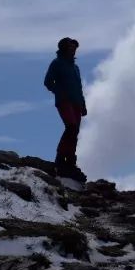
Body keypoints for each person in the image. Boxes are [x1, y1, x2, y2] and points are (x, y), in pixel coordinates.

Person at [44, 37, 87, 177]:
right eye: (70, 47)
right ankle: (60, 157)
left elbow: (79, 87)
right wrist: (59, 92)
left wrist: (83, 104)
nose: (73, 50)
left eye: (74, 47)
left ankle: (70, 160)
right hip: (64, 101)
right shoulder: (57, 63)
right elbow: (48, 82)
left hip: (77, 103)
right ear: (63, 48)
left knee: (74, 132)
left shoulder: (76, 68)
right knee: (71, 127)